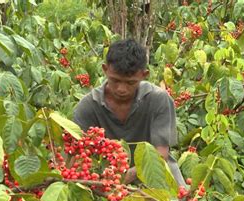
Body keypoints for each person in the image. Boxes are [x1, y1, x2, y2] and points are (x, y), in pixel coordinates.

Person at [73, 39, 185, 186]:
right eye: (115, 80)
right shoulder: (88, 106)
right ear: (105, 70)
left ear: (144, 75)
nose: (121, 89)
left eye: (130, 82)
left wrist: (124, 178)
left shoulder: (158, 99)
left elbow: (160, 153)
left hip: (156, 175)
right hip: (107, 179)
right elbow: (77, 155)